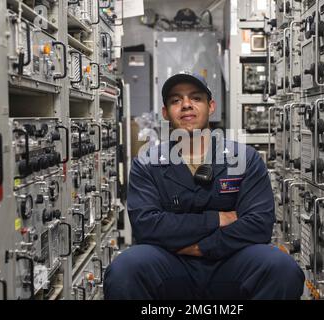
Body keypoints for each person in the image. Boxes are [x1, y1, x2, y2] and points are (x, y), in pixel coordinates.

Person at [103, 71, 304, 299]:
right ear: (165, 113)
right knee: (124, 269)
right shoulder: (147, 163)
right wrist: (218, 218)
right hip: (171, 264)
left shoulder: (245, 158)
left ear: (211, 106)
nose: (186, 105)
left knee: (281, 267)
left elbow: (259, 225)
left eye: (196, 98)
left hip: (230, 262)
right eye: (176, 100)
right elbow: (146, 226)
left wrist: (201, 248)